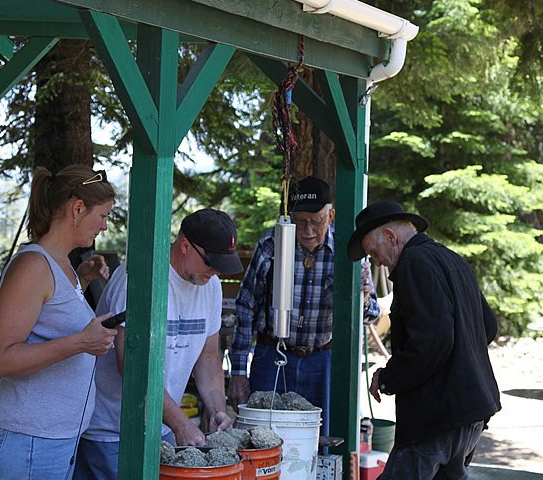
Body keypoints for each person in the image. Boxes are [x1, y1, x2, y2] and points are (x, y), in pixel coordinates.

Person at [74, 208, 245, 479]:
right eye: (211, 263)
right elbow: (130, 366)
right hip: (111, 430)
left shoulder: (210, 285)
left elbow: (209, 357)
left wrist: (217, 410)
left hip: (159, 426)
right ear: (186, 245)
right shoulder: (139, 278)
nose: (215, 272)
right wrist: (181, 424)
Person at [0, 165, 119, 479]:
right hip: (25, 441)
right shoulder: (32, 265)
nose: (104, 227)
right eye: (103, 216)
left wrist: (81, 279)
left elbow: (47, 312)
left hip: (48, 441)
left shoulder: (61, 264)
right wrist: (81, 342)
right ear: (78, 209)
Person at [347, 200, 501, 479]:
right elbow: (488, 327)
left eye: (374, 252)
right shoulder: (452, 259)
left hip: (437, 417)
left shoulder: (413, 264)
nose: (377, 261)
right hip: (472, 410)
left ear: (391, 237)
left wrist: (389, 376)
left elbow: (432, 341)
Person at [228, 176, 380, 432]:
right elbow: (246, 307)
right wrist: (239, 372)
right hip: (272, 354)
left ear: (331, 216)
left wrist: (362, 298)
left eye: (316, 221)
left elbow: (371, 315)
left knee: (322, 438)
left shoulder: (349, 252)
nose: (308, 231)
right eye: (300, 222)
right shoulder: (271, 245)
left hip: (323, 359)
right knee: (261, 436)